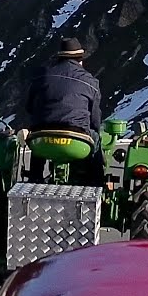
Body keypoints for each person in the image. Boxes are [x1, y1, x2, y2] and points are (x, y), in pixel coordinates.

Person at [24, 37, 106, 185]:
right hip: (76, 138)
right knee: (96, 139)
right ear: (80, 59)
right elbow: (95, 119)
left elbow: (29, 107)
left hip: (42, 139)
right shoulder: (90, 81)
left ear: (59, 58)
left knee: (38, 139)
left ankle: (35, 178)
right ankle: (96, 183)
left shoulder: (42, 75)